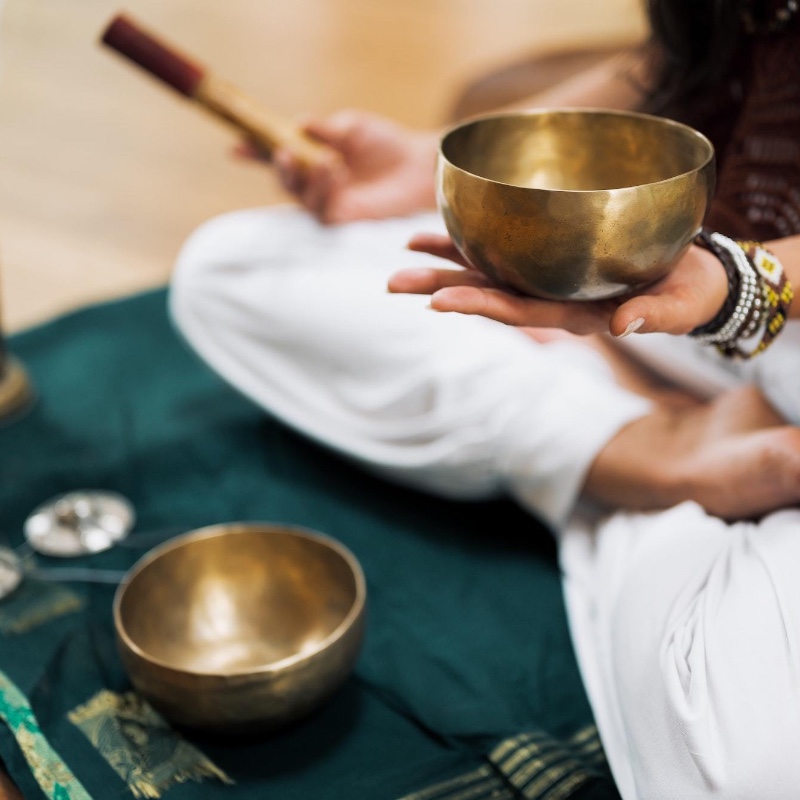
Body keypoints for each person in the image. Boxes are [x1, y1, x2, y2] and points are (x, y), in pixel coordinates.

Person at [170, 1, 800, 797]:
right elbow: (686, 56)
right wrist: (442, 168)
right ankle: (636, 448)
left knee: (735, 765)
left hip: (738, 298)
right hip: (682, 277)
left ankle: (610, 456)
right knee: (232, 272)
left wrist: (746, 286)